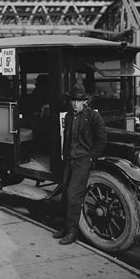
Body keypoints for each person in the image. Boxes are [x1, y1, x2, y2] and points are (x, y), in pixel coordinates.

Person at [53, 84, 107, 245]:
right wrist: (64, 156)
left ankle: (72, 231)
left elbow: (102, 139)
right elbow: (67, 139)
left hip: (83, 160)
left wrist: (91, 158)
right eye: (73, 100)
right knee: (65, 195)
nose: (75, 104)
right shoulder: (69, 116)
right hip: (69, 160)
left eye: (79, 101)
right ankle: (65, 226)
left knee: (72, 195)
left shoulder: (93, 116)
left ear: (85, 101)